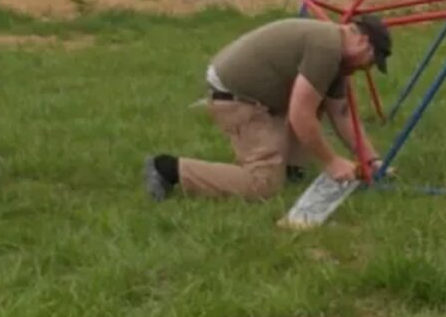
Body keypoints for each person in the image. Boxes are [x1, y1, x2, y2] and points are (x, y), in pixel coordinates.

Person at [143, 15, 393, 202]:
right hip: (237, 97)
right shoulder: (326, 48)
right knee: (262, 186)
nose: (368, 68)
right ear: (363, 42)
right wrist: (331, 162)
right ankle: (168, 169)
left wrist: (372, 160)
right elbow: (300, 114)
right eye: (372, 60)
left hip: (258, 95)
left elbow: (341, 114)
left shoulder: (336, 55)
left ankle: (291, 170)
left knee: (313, 105)